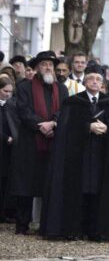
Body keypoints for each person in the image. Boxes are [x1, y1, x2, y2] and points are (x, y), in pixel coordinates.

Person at [42, 63, 109, 241]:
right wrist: (87, 127)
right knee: (77, 191)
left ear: (102, 83)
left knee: (99, 192)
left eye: (98, 79)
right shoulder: (73, 102)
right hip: (78, 157)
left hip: (101, 157)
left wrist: (108, 129)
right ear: (85, 82)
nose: (94, 82)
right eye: (91, 78)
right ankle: (74, 229)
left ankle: (97, 230)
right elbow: (65, 129)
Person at [9, 50, 68, 235]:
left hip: (54, 141)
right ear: (36, 68)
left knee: (49, 186)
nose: (48, 67)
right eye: (44, 64)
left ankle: (47, 226)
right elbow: (23, 110)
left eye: (51, 64)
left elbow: (65, 110)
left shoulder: (62, 89)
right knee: (26, 186)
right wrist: (40, 125)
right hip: (30, 142)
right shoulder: (24, 87)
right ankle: (22, 225)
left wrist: (54, 123)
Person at [0, 76, 18, 221]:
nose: (8, 94)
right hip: (3, 144)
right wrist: (5, 138)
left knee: (6, 180)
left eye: (10, 92)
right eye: (5, 91)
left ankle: (5, 212)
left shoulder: (12, 105)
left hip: (9, 150)